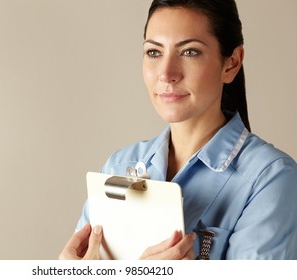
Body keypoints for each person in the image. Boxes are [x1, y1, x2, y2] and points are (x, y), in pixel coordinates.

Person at [59, 0, 297, 260]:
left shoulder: (270, 180)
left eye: (189, 52)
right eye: (154, 52)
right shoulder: (117, 167)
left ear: (231, 64)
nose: (166, 73)